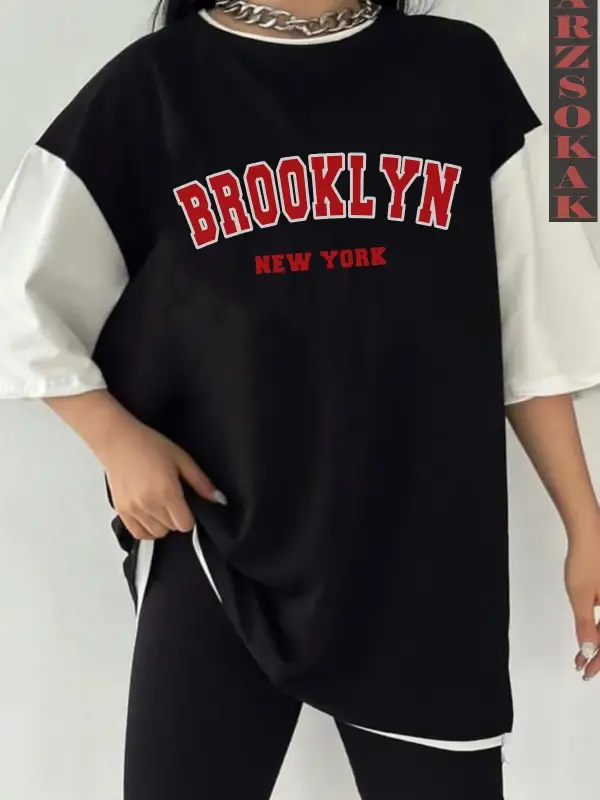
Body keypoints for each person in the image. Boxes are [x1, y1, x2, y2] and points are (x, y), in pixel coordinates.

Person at [1, 0, 600, 797]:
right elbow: (19, 286)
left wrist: (586, 525)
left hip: (424, 556)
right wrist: (114, 438)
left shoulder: (462, 70)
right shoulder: (156, 85)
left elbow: (534, 325)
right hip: (216, 537)